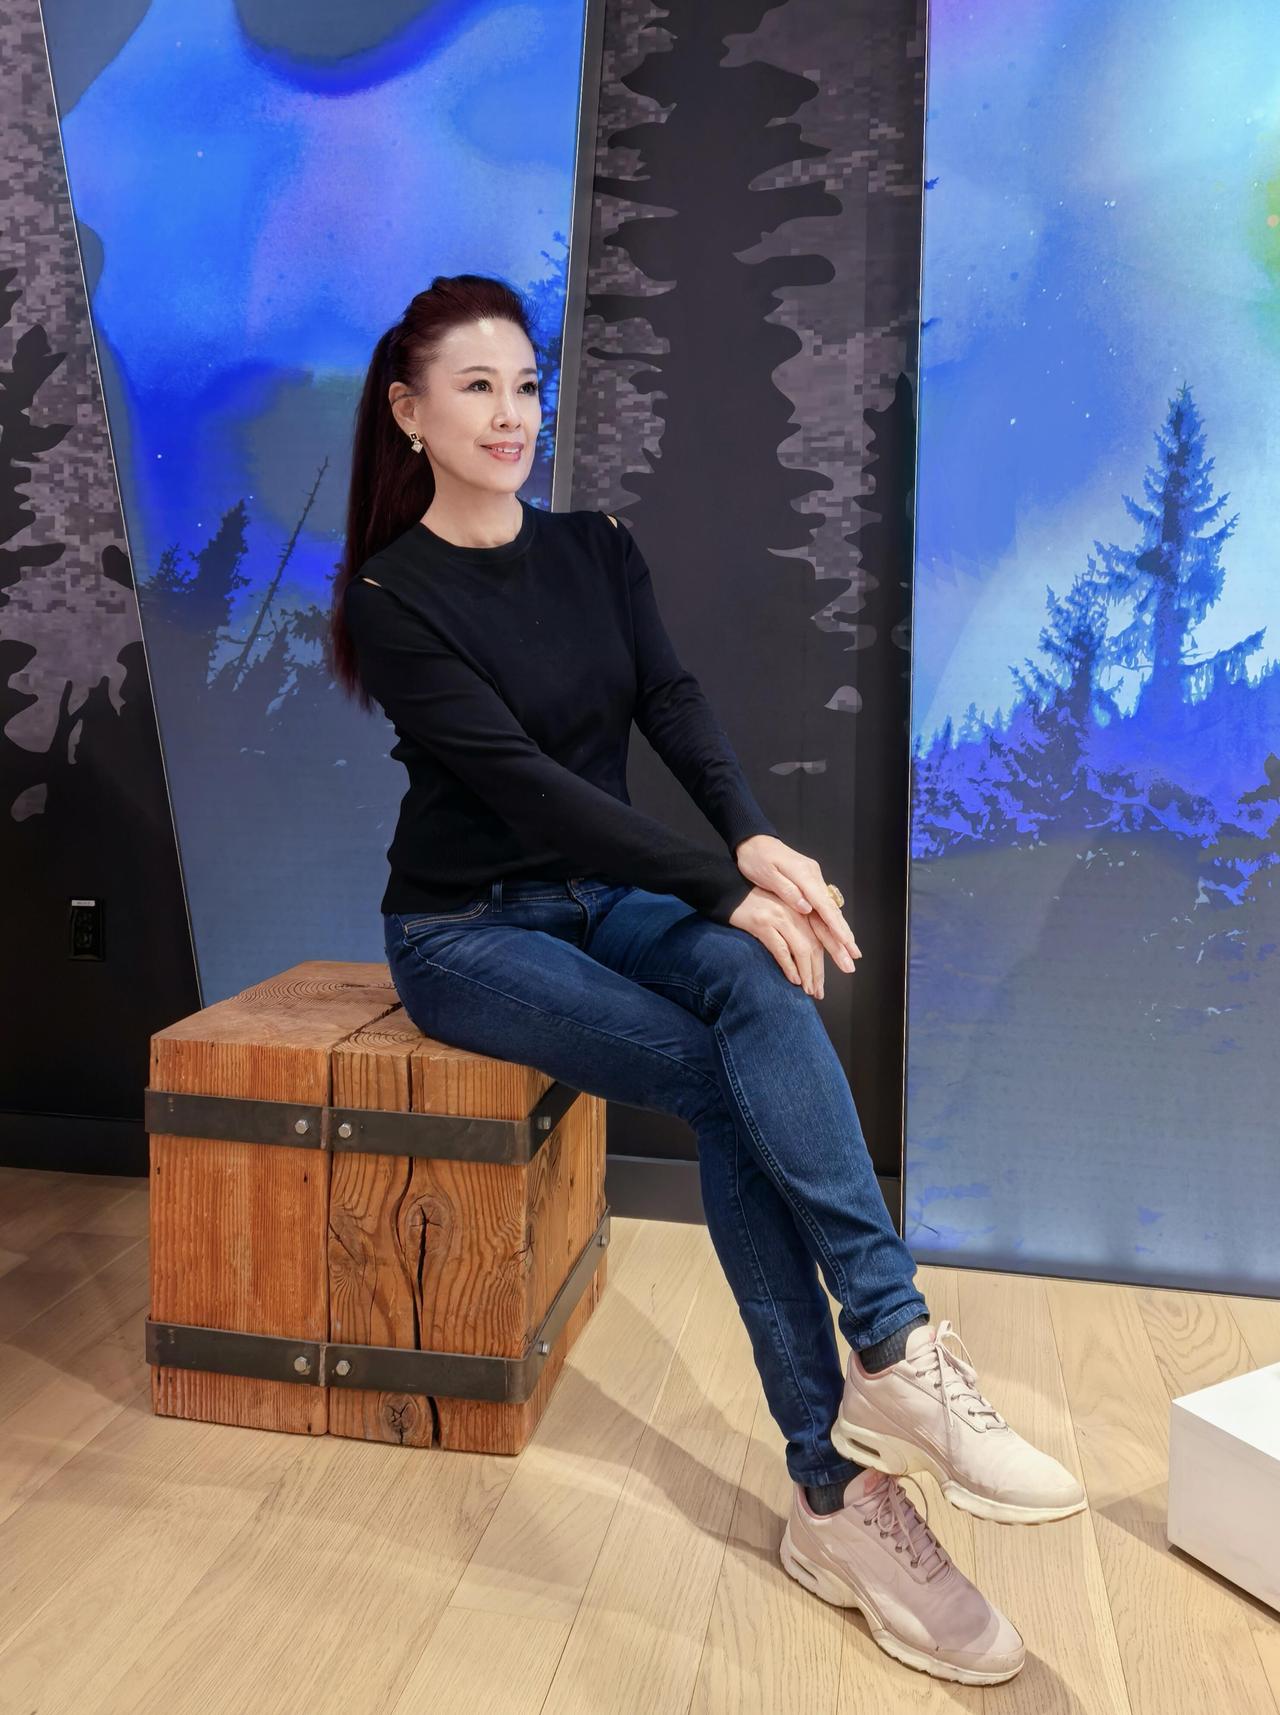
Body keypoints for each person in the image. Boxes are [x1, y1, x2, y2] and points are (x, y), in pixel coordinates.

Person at [329, 273, 1087, 1687]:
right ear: (409, 411)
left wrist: (750, 840)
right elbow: (528, 788)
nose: (512, 412)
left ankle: (890, 1350)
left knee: (760, 990)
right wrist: (720, 886)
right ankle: (832, 1491)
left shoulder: (596, 547)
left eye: (527, 383)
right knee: (736, 1073)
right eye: (477, 386)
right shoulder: (392, 596)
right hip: (467, 931)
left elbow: (670, 701)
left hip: (602, 897)